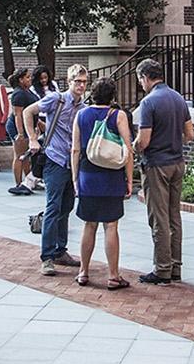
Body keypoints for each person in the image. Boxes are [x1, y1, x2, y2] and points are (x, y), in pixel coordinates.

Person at [71, 78, 136, 290]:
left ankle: (83, 272)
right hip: (112, 176)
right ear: (113, 96)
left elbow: (75, 149)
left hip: (88, 175)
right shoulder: (118, 116)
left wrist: (75, 178)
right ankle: (113, 276)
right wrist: (129, 179)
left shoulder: (81, 115)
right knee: (111, 226)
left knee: (89, 225)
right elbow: (128, 150)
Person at [133, 59, 193, 285]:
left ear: (145, 77)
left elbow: (144, 140)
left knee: (159, 218)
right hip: (177, 162)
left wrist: (134, 146)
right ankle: (176, 266)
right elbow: (190, 134)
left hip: (156, 164)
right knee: (174, 216)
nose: (141, 85)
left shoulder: (149, 102)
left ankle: (162, 269)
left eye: (140, 80)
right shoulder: (178, 98)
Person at [25, 64, 88, 276]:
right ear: (69, 82)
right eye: (77, 81)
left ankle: (61, 250)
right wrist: (32, 139)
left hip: (72, 163)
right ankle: (47, 257)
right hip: (54, 159)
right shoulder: (56, 99)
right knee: (53, 207)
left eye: (84, 82)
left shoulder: (83, 106)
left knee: (66, 206)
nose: (81, 85)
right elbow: (28, 111)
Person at [8, 68, 41, 196]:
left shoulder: (26, 91)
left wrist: (37, 124)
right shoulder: (18, 94)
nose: (30, 79)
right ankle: (18, 184)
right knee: (19, 156)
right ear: (21, 80)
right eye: (27, 77)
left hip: (28, 127)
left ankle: (28, 182)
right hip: (18, 128)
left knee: (27, 157)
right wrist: (20, 134)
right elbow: (18, 115)